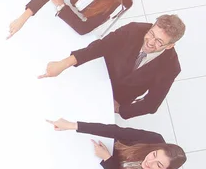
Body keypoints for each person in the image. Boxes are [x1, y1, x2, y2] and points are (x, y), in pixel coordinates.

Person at [39, 16, 186, 119]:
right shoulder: (133, 29)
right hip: (100, 72)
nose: (150, 42)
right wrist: (64, 63)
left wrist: (121, 109)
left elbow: (151, 104)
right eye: (151, 33)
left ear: (170, 45)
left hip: (118, 97)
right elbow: (100, 47)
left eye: (159, 42)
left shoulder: (171, 67)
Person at [46, 118, 186, 169]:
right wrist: (73, 125)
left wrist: (107, 159)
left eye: (159, 165)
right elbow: (116, 131)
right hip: (109, 152)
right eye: (154, 154)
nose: (150, 161)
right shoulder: (154, 139)